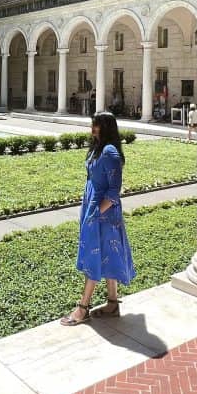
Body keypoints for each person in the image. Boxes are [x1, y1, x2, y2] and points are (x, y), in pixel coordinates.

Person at [61, 112, 136, 326]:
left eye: (96, 125)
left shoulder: (110, 152)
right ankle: (112, 303)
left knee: (94, 255)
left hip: (103, 214)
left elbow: (114, 191)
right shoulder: (98, 148)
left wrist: (96, 213)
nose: (92, 129)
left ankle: (83, 307)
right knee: (107, 255)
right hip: (93, 208)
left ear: (106, 127)